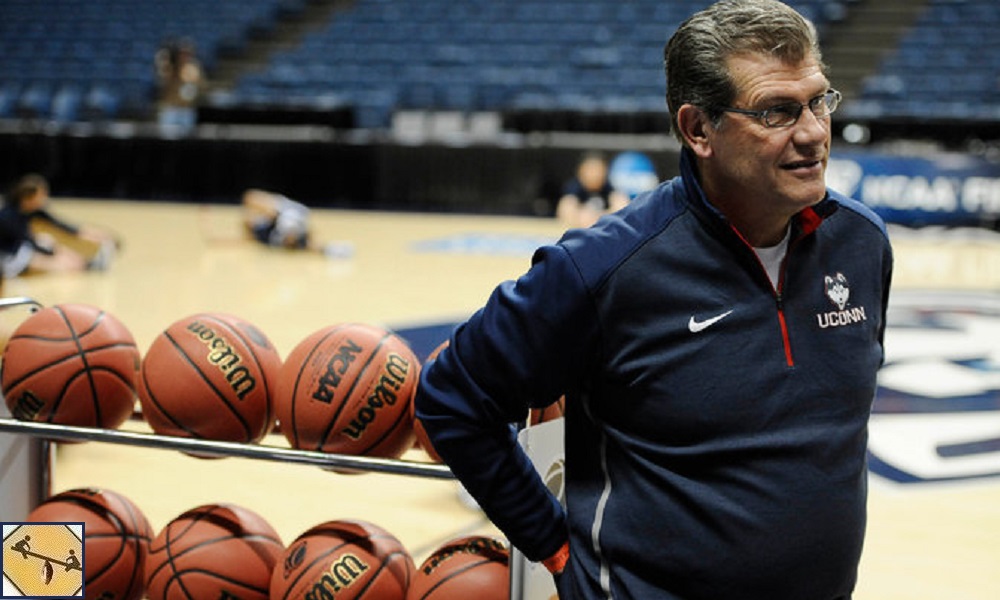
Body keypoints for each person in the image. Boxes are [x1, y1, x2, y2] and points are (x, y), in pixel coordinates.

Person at [414, 1, 894, 598]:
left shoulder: (862, 243)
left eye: (819, 101)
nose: (814, 132)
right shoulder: (604, 266)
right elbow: (454, 396)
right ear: (698, 130)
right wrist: (552, 545)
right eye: (777, 111)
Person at [0, 174, 118, 279]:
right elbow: (27, 242)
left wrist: (101, 236)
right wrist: (52, 253)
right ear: (28, 197)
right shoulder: (7, 216)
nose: (44, 199)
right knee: (55, 260)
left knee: (49, 243)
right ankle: (84, 266)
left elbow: (63, 226)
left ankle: (86, 264)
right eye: (41, 195)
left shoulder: (31, 210)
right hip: (7, 258)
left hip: (21, 249)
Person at [211, 188, 353, 258]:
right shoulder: (261, 233)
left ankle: (334, 249)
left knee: (253, 199)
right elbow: (236, 241)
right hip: (285, 227)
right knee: (305, 241)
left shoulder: (272, 218)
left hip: (285, 220)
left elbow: (253, 200)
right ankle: (335, 249)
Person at [555, 152, 629, 229]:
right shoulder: (573, 188)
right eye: (590, 170)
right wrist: (581, 218)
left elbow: (622, 211)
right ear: (581, 171)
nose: (594, 174)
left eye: (598, 170)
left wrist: (598, 217)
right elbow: (566, 213)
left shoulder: (610, 188)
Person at [154, 37, 205, 134]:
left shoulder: (193, 68)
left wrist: (194, 86)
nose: (184, 56)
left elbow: (199, 86)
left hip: (186, 110)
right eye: (182, 53)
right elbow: (162, 80)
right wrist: (165, 59)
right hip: (171, 109)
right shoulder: (170, 67)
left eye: (187, 53)